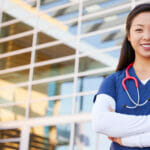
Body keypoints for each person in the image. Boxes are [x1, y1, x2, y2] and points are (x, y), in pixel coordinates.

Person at [92, 3, 150, 150]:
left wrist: (128, 140)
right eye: (139, 30)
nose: (147, 36)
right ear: (129, 36)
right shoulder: (113, 82)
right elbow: (100, 122)